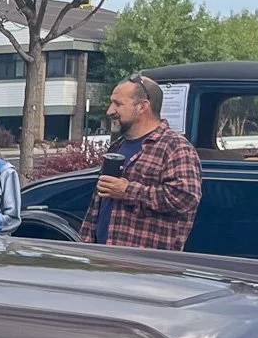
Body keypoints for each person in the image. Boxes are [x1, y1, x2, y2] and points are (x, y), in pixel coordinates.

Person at [83, 73, 202, 250]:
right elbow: (99, 206)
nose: (110, 111)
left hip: (142, 262)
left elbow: (185, 197)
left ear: (142, 106)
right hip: (103, 256)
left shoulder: (175, 147)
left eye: (118, 104)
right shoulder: (117, 146)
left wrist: (127, 190)